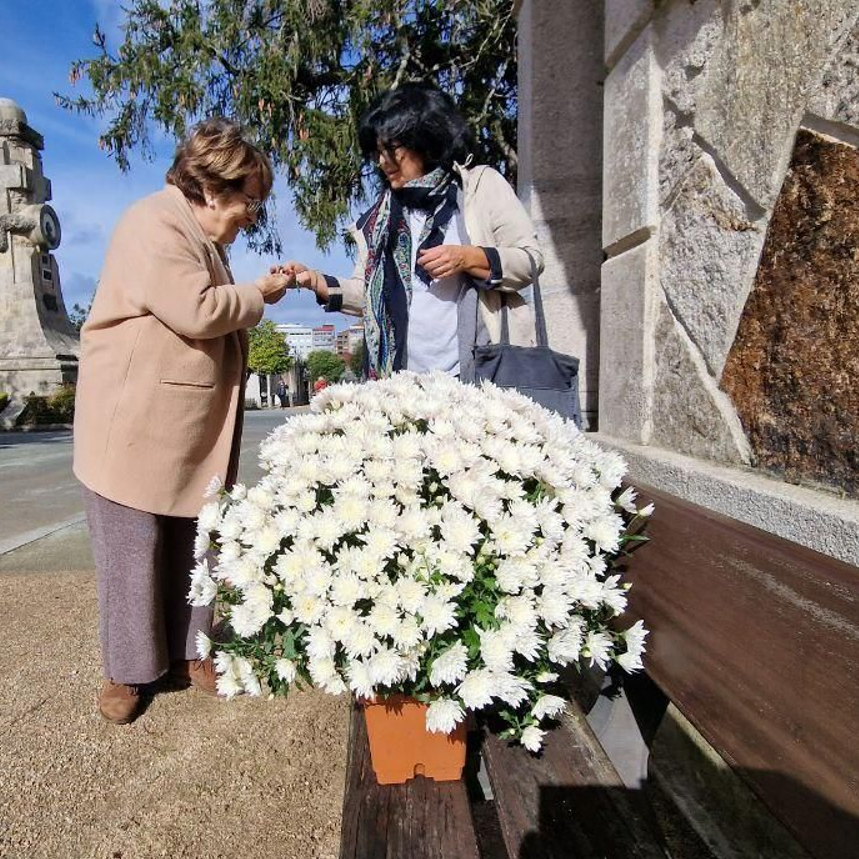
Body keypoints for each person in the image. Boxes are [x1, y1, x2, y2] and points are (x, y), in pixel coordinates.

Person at [72, 118, 292, 725]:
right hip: (136, 421)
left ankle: (191, 652)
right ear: (213, 185)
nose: (252, 214)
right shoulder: (154, 221)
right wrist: (259, 295)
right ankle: (128, 669)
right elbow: (195, 311)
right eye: (249, 199)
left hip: (181, 424)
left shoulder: (202, 239)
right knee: (132, 546)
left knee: (194, 543)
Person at [286, 84, 544, 380]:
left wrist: (468, 258)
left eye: (392, 149)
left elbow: (530, 260)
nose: (383, 162)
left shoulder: (479, 188)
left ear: (425, 140)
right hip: (402, 384)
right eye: (377, 152)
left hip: (476, 378)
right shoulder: (380, 219)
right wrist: (315, 281)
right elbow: (369, 296)